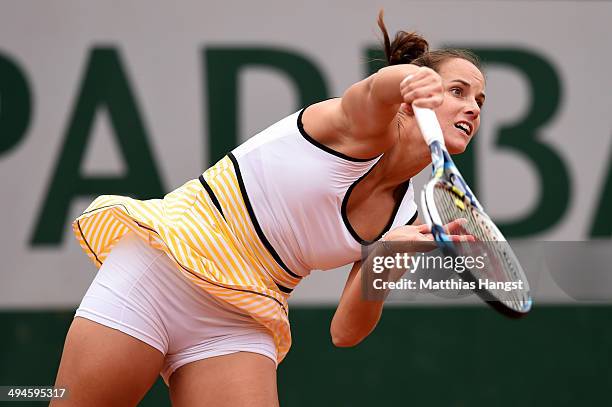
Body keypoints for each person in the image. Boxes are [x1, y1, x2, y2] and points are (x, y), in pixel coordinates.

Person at [52, 10, 485, 407]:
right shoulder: (362, 127)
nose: (472, 107)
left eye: (479, 102)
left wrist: (386, 256)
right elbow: (374, 89)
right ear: (413, 99)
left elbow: (345, 332)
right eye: (458, 91)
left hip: (243, 316)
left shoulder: (405, 218)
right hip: (165, 269)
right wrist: (407, 77)